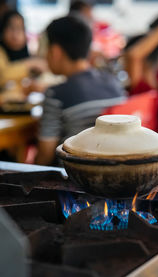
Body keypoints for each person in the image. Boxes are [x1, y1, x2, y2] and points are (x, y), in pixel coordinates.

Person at [35, 15, 125, 165]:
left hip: (72, 178)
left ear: (55, 51)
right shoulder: (113, 82)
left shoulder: (56, 94)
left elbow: (45, 154)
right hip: (113, 173)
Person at [0, 10, 46, 88]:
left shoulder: (25, 50)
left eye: (20, 28)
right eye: (11, 28)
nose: (15, 34)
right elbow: (3, 75)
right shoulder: (1, 51)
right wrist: (30, 64)